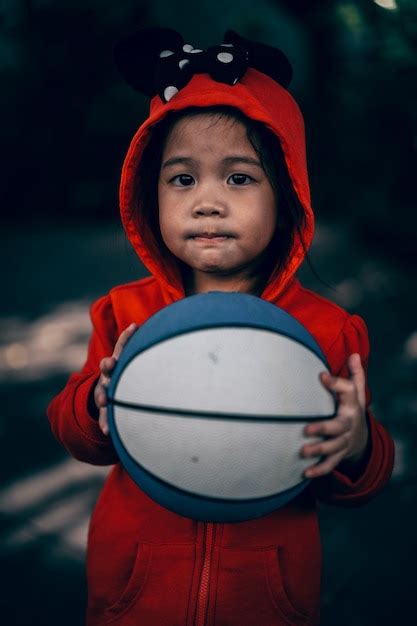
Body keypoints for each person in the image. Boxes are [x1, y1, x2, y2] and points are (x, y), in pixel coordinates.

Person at [47, 27, 395, 626]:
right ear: (146, 193)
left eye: (239, 177)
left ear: (286, 193)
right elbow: (72, 430)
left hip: (264, 604)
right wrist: (95, 404)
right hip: (134, 598)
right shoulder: (125, 314)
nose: (208, 201)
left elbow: (361, 480)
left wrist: (357, 443)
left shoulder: (325, 332)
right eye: (183, 178)